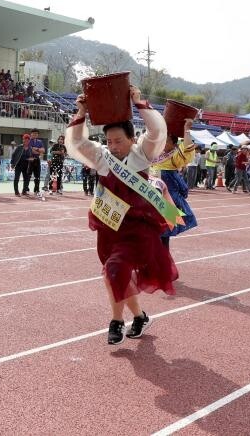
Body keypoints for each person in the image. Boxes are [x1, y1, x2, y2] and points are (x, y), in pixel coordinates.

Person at [66, 86, 178, 345]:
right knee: (113, 272)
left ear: (131, 138)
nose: (113, 147)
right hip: (109, 227)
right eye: (109, 141)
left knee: (115, 268)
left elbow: (157, 132)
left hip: (138, 230)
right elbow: (77, 143)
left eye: (119, 141)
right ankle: (139, 317)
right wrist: (81, 112)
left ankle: (116, 321)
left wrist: (139, 103)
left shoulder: (141, 155)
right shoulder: (103, 158)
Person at [151, 118, 198, 249]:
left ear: (173, 144)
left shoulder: (175, 157)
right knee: (148, 231)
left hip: (167, 200)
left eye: (166, 141)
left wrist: (187, 130)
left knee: (164, 233)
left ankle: (164, 263)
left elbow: (188, 148)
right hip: (150, 197)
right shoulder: (153, 154)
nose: (162, 144)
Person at [28, 128, 45, 194]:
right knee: (28, 175)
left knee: (37, 175)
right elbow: (31, 150)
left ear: (38, 135)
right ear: (31, 134)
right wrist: (38, 151)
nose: (35, 134)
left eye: (36, 133)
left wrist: (37, 149)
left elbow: (43, 150)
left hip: (37, 160)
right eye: (33, 133)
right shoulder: (28, 141)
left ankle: (36, 189)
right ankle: (26, 189)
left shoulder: (40, 142)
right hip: (30, 159)